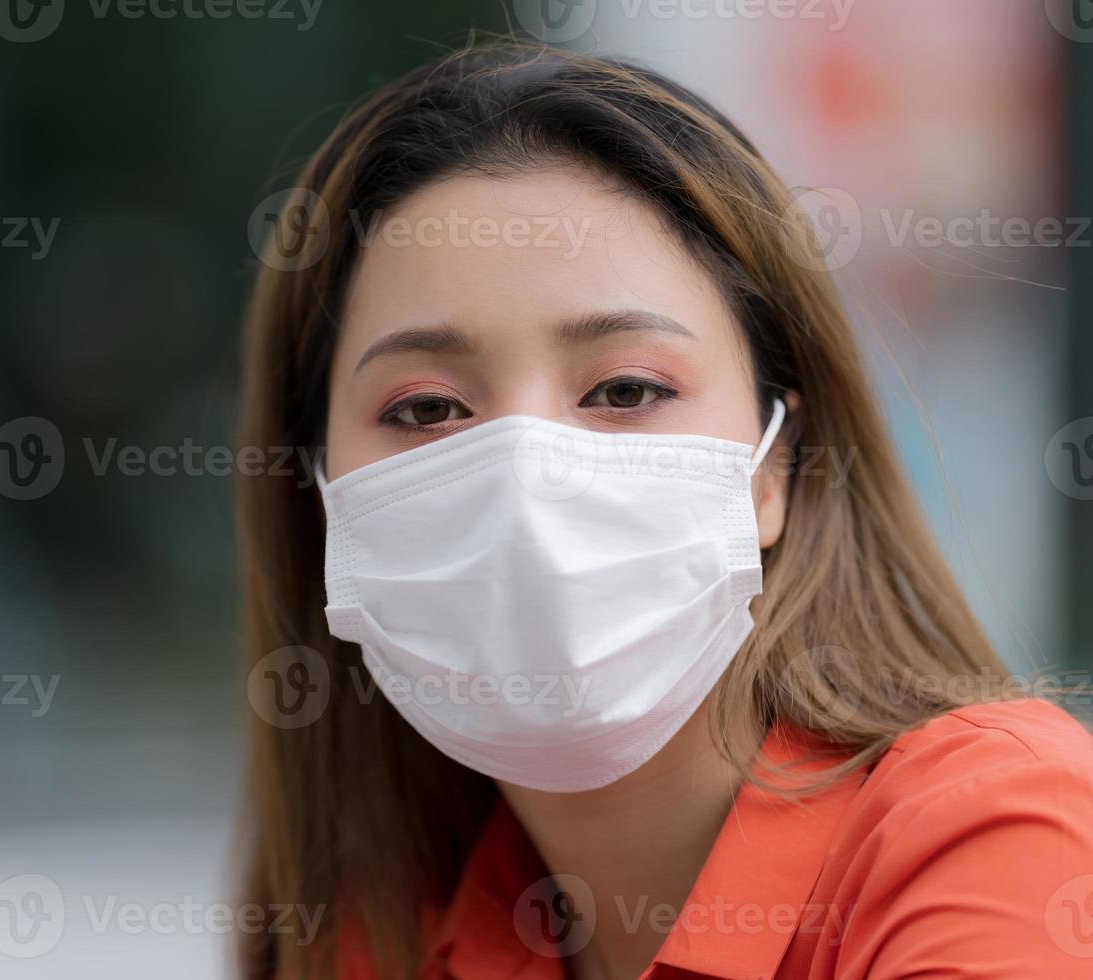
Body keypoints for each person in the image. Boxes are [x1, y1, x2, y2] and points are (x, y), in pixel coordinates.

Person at [234, 41, 1093, 979]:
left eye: (627, 390)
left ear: (775, 468)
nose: (526, 485)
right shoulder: (372, 932)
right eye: (427, 408)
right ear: (324, 496)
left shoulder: (990, 835)